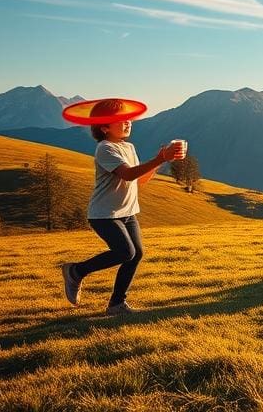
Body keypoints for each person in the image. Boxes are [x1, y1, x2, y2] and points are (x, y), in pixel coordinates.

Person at [59, 98, 185, 316]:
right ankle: (75, 271)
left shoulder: (128, 146)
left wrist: (162, 160)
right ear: (104, 126)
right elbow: (126, 175)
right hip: (104, 215)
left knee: (136, 255)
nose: (128, 123)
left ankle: (116, 305)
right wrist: (159, 158)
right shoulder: (105, 148)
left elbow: (140, 179)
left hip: (127, 213)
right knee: (125, 252)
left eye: (129, 119)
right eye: (121, 120)